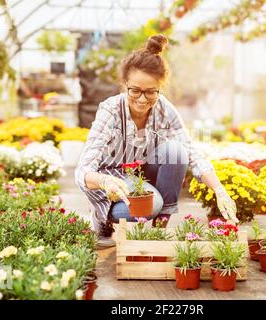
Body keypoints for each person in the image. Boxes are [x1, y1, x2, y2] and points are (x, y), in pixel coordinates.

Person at [75, 34, 238, 248]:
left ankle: (158, 232)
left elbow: (191, 152)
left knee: (177, 151)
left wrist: (219, 190)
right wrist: (105, 182)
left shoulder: (164, 109)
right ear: (125, 85)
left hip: (139, 175)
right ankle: (101, 216)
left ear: (160, 87)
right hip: (109, 178)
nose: (142, 99)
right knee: (151, 206)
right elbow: (83, 169)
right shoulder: (110, 110)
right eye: (135, 90)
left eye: (151, 92)